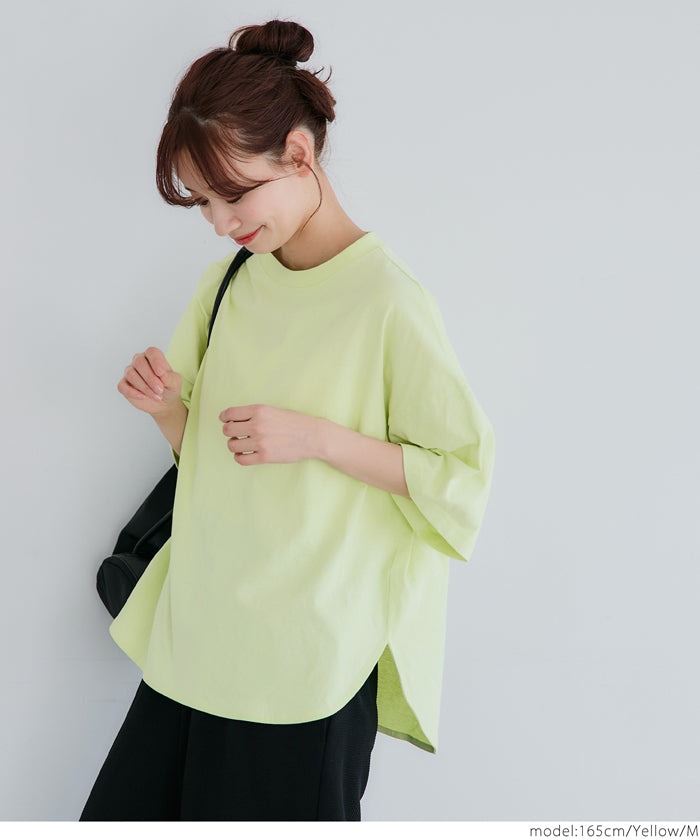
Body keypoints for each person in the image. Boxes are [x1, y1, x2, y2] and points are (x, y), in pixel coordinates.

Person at [80, 18, 496, 821]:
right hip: (199, 641)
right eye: (204, 202)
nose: (220, 222)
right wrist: (167, 410)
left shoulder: (387, 302)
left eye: (234, 194)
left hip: (307, 667)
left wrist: (320, 440)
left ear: (300, 155)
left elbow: (461, 479)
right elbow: (207, 465)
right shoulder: (229, 283)